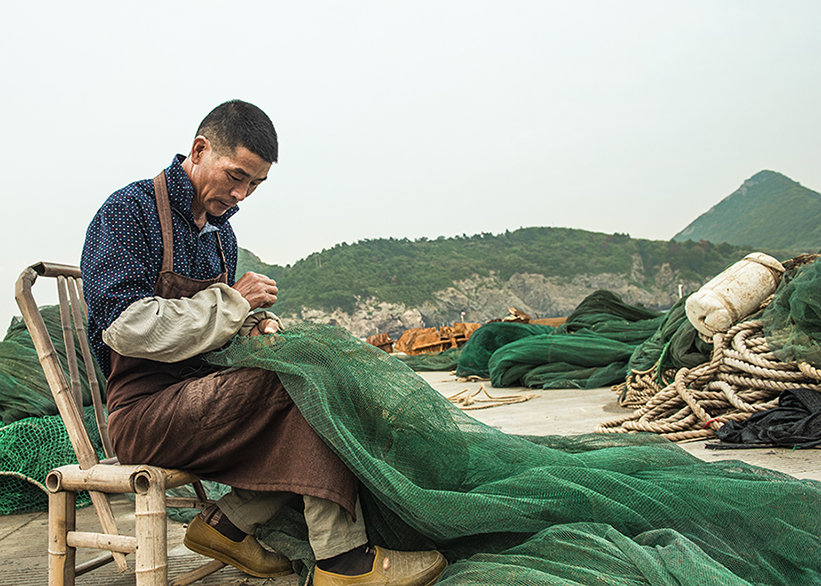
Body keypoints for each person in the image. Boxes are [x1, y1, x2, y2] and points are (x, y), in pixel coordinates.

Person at [81, 99, 446, 586]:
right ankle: (343, 563)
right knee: (303, 384)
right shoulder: (129, 211)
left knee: (318, 377)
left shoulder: (220, 236)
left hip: (207, 400)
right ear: (199, 149)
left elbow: (219, 329)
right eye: (236, 176)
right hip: (144, 414)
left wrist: (257, 326)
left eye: (255, 184)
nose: (242, 194)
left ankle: (227, 525)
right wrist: (233, 304)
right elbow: (125, 326)